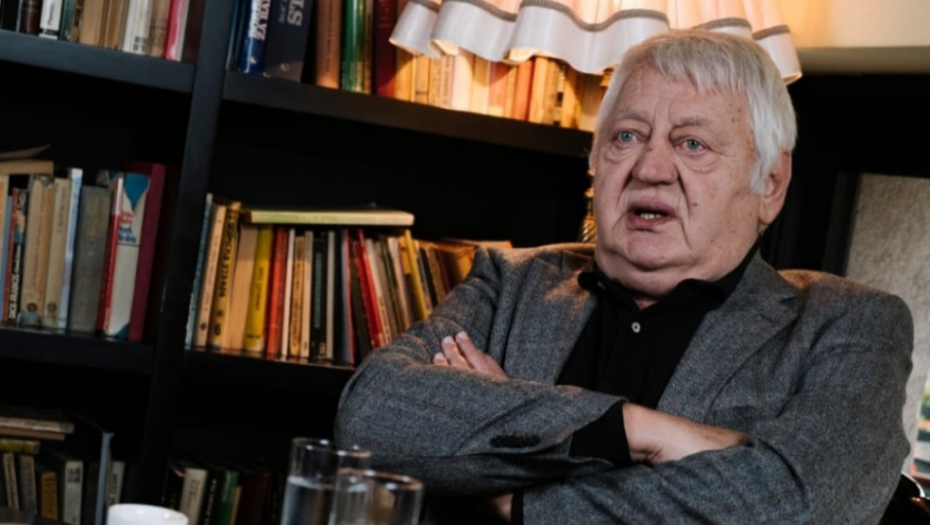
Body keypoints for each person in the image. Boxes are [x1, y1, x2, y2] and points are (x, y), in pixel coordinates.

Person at [334, 29, 914, 525]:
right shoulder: (510, 280)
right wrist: (636, 431)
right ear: (596, 162)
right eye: (627, 137)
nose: (651, 168)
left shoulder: (847, 325)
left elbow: (802, 504)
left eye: (692, 144)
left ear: (770, 184)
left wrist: (521, 501)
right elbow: (369, 419)